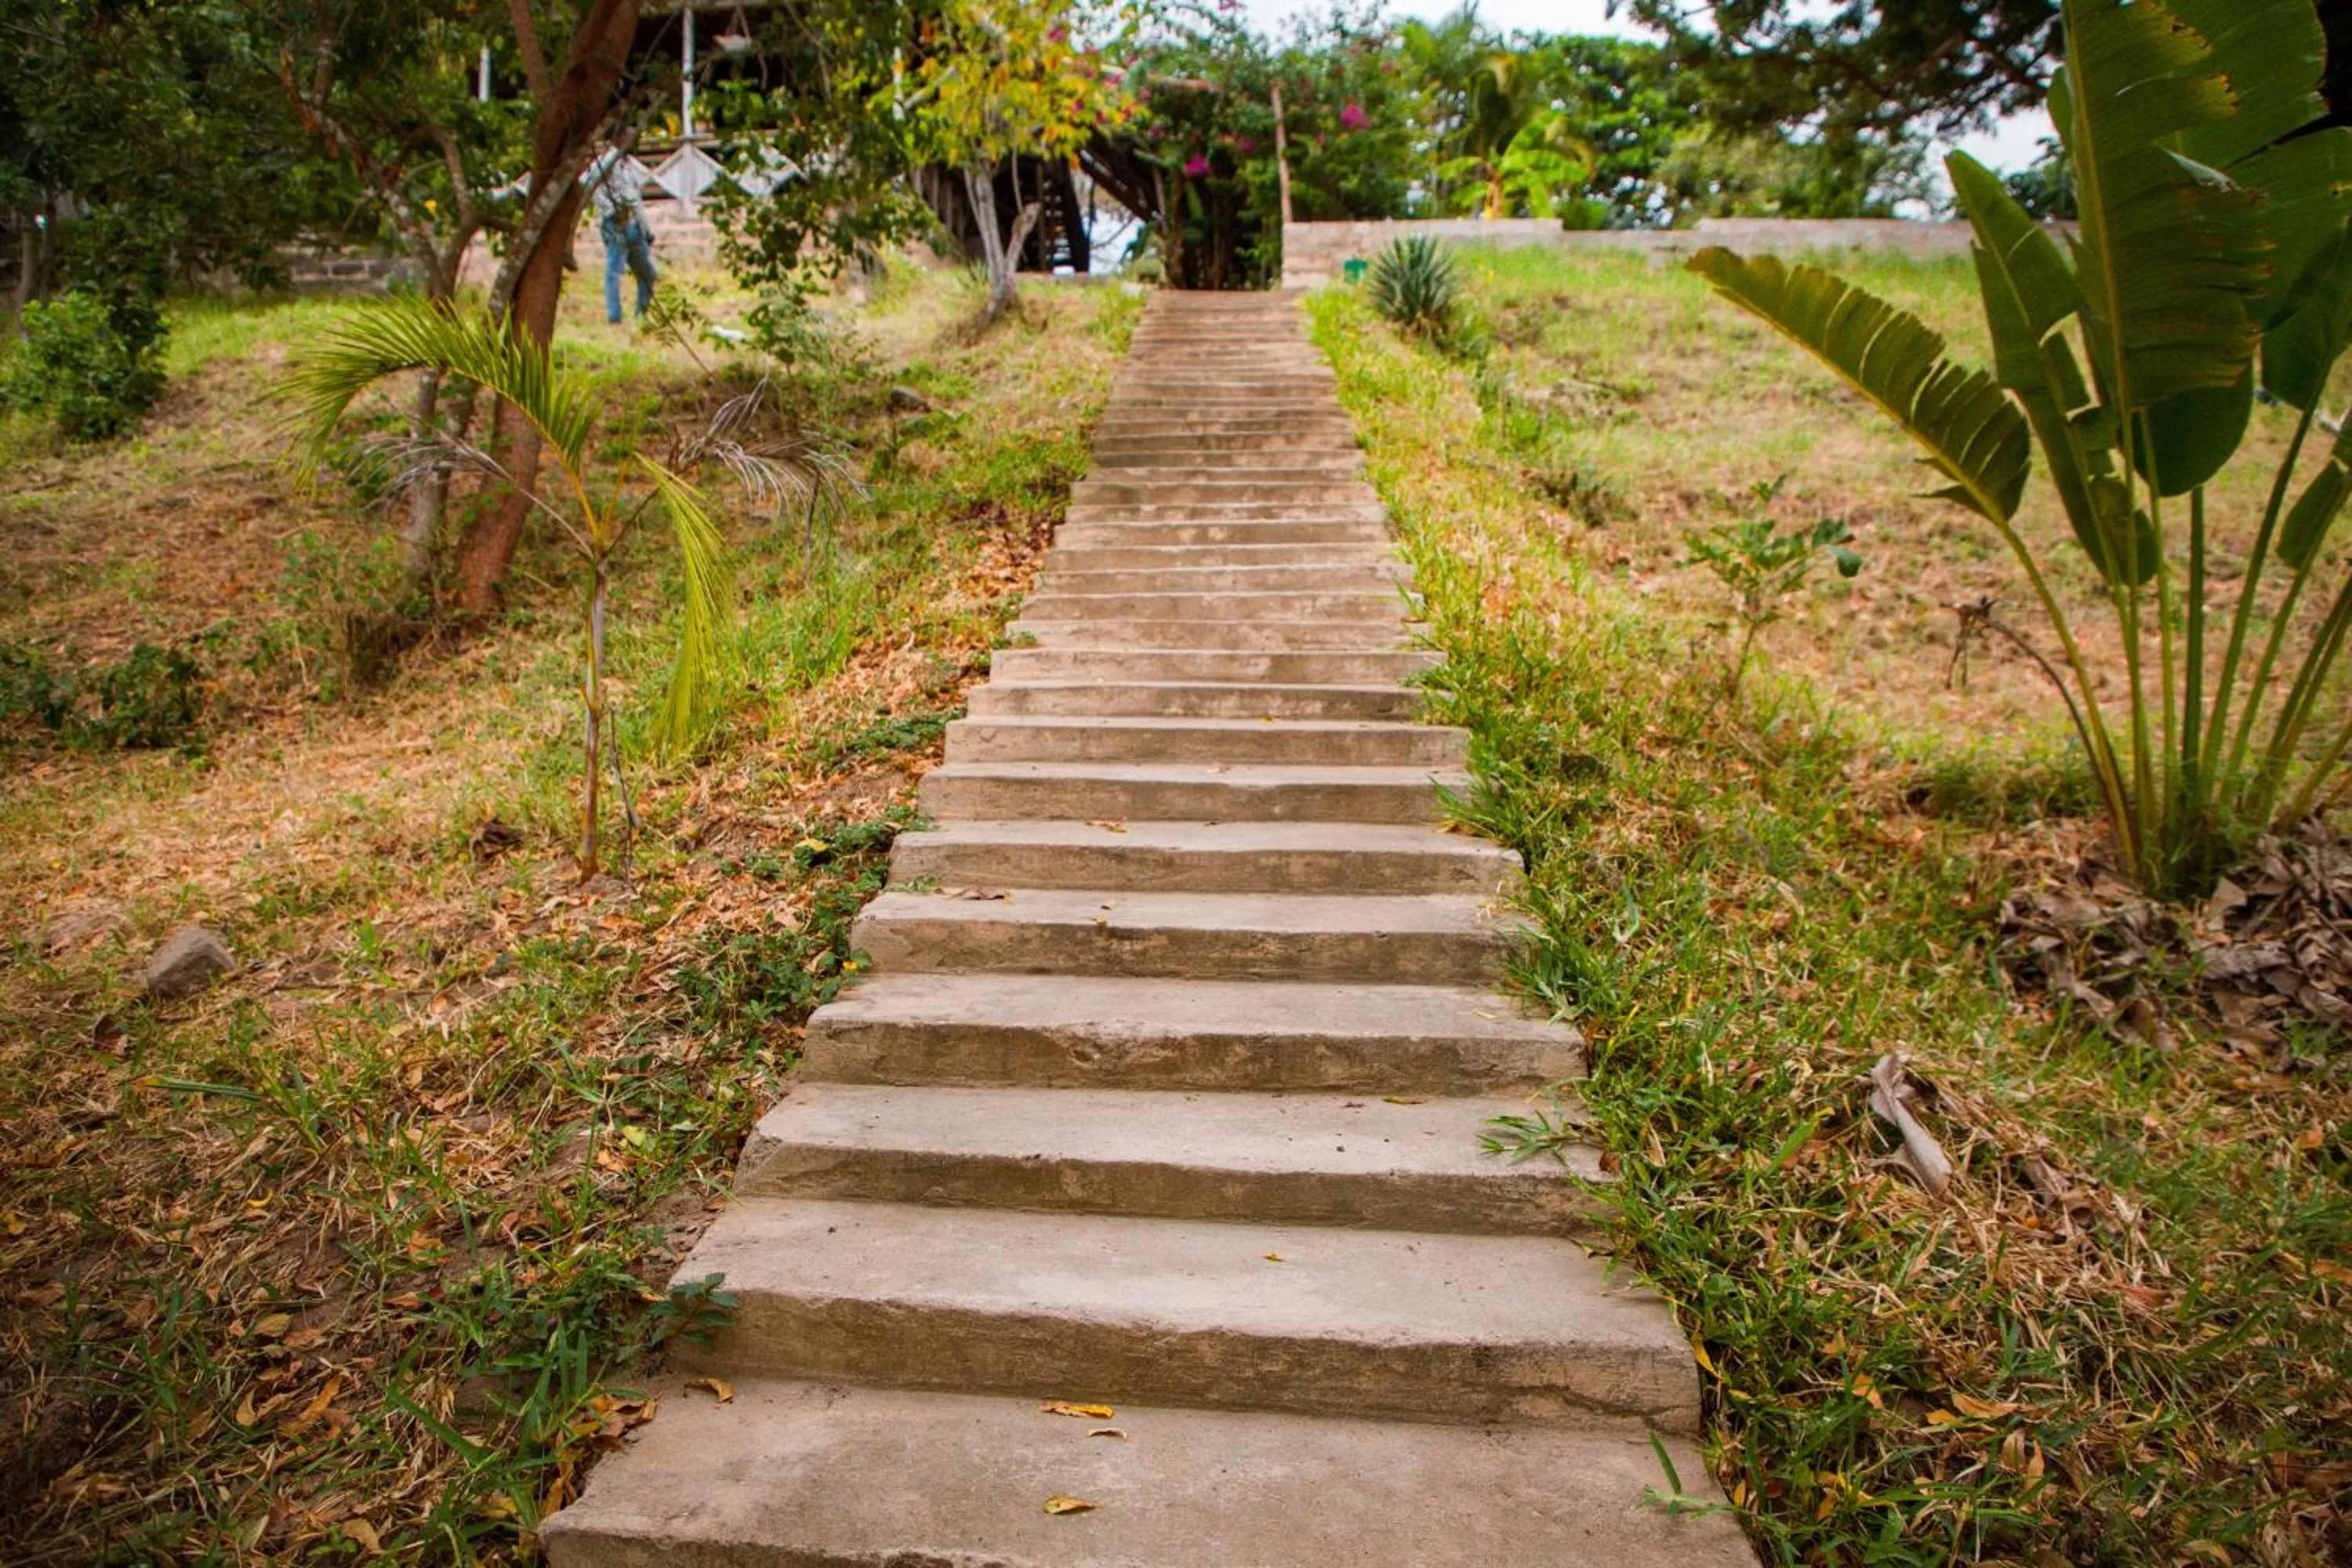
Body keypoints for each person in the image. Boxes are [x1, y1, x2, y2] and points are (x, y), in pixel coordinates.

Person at [584, 146, 659, 324]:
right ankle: (614, 316)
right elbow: (590, 184)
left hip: (634, 225)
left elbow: (636, 201)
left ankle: (641, 315)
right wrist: (611, 211)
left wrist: (646, 229)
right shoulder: (606, 161)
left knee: (648, 273)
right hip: (615, 223)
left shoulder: (628, 164)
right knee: (614, 271)